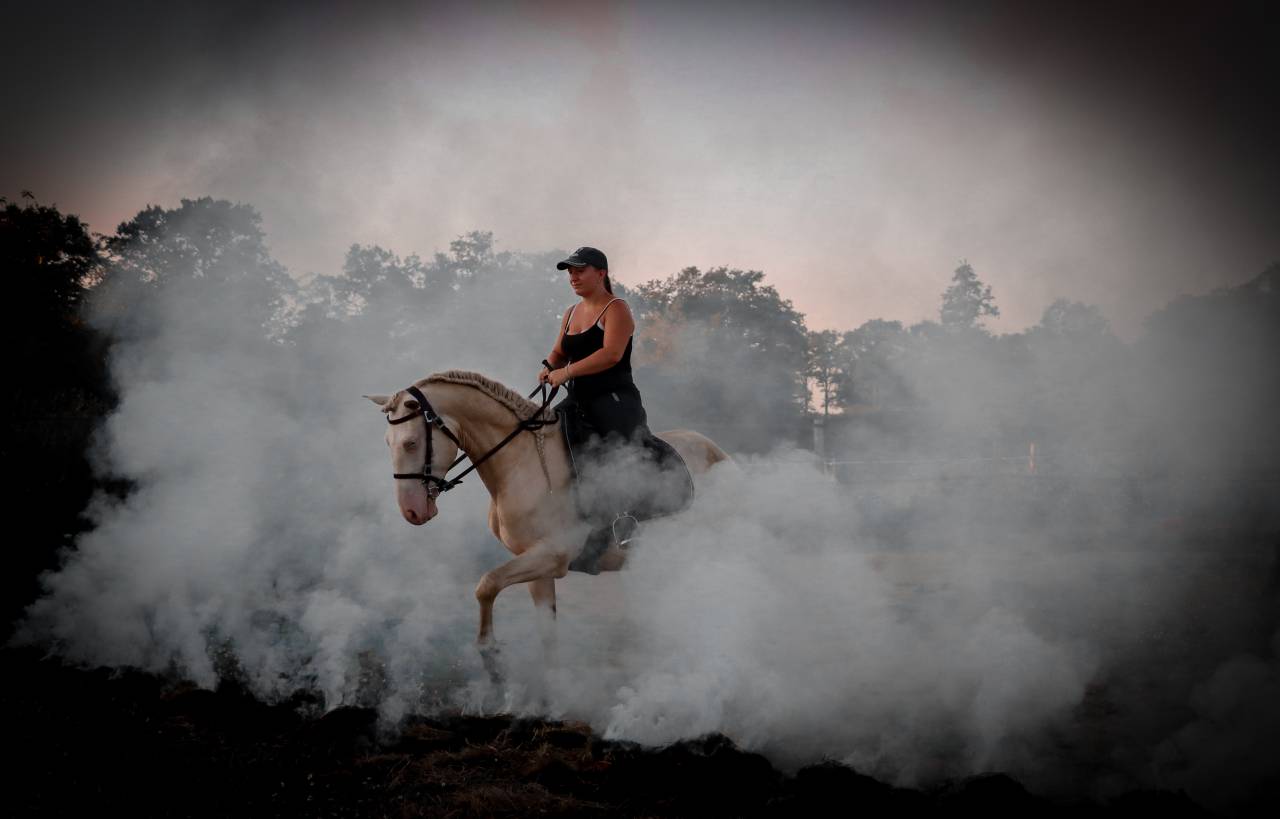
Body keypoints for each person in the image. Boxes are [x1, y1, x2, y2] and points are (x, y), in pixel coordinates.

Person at [538, 246, 650, 558]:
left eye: (580, 271)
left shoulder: (616, 309)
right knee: (544, 437)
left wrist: (566, 372)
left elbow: (611, 354)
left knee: (615, 453)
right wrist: (549, 366)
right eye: (570, 272)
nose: (573, 277)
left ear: (601, 273)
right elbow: (559, 351)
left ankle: (625, 519)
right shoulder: (570, 313)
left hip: (614, 397)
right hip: (577, 397)